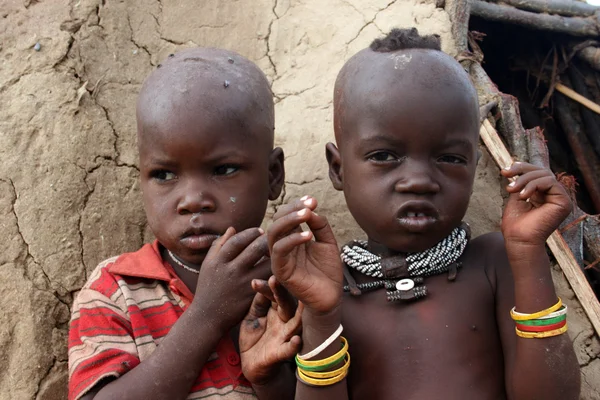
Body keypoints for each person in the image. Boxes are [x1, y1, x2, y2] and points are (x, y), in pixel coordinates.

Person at [267, 28, 581, 399]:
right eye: (384, 156)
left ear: (474, 166)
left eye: (449, 158)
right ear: (338, 169)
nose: (418, 181)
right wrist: (321, 315)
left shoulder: (496, 261)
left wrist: (528, 253)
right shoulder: (325, 285)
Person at [68, 47, 301, 400]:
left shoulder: (296, 281)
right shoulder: (116, 289)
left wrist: (270, 381)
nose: (193, 200)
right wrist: (208, 315)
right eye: (164, 174)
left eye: (223, 170)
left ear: (273, 175)